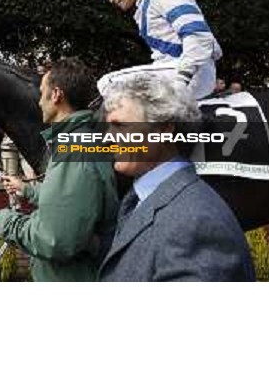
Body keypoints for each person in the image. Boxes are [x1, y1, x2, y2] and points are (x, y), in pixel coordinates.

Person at [0, 58, 119, 282]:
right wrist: (28, 190)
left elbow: (54, 240)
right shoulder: (80, 141)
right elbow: (75, 201)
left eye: (42, 93)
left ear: (56, 95)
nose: (39, 102)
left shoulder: (74, 151)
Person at [98, 73, 255, 282]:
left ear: (164, 128)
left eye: (120, 126)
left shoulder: (196, 224)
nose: (107, 139)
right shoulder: (143, 197)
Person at [97, 0, 222, 100]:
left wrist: (182, 79)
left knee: (108, 83)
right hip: (181, 71)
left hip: (190, 73)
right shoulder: (143, 8)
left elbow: (199, 35)